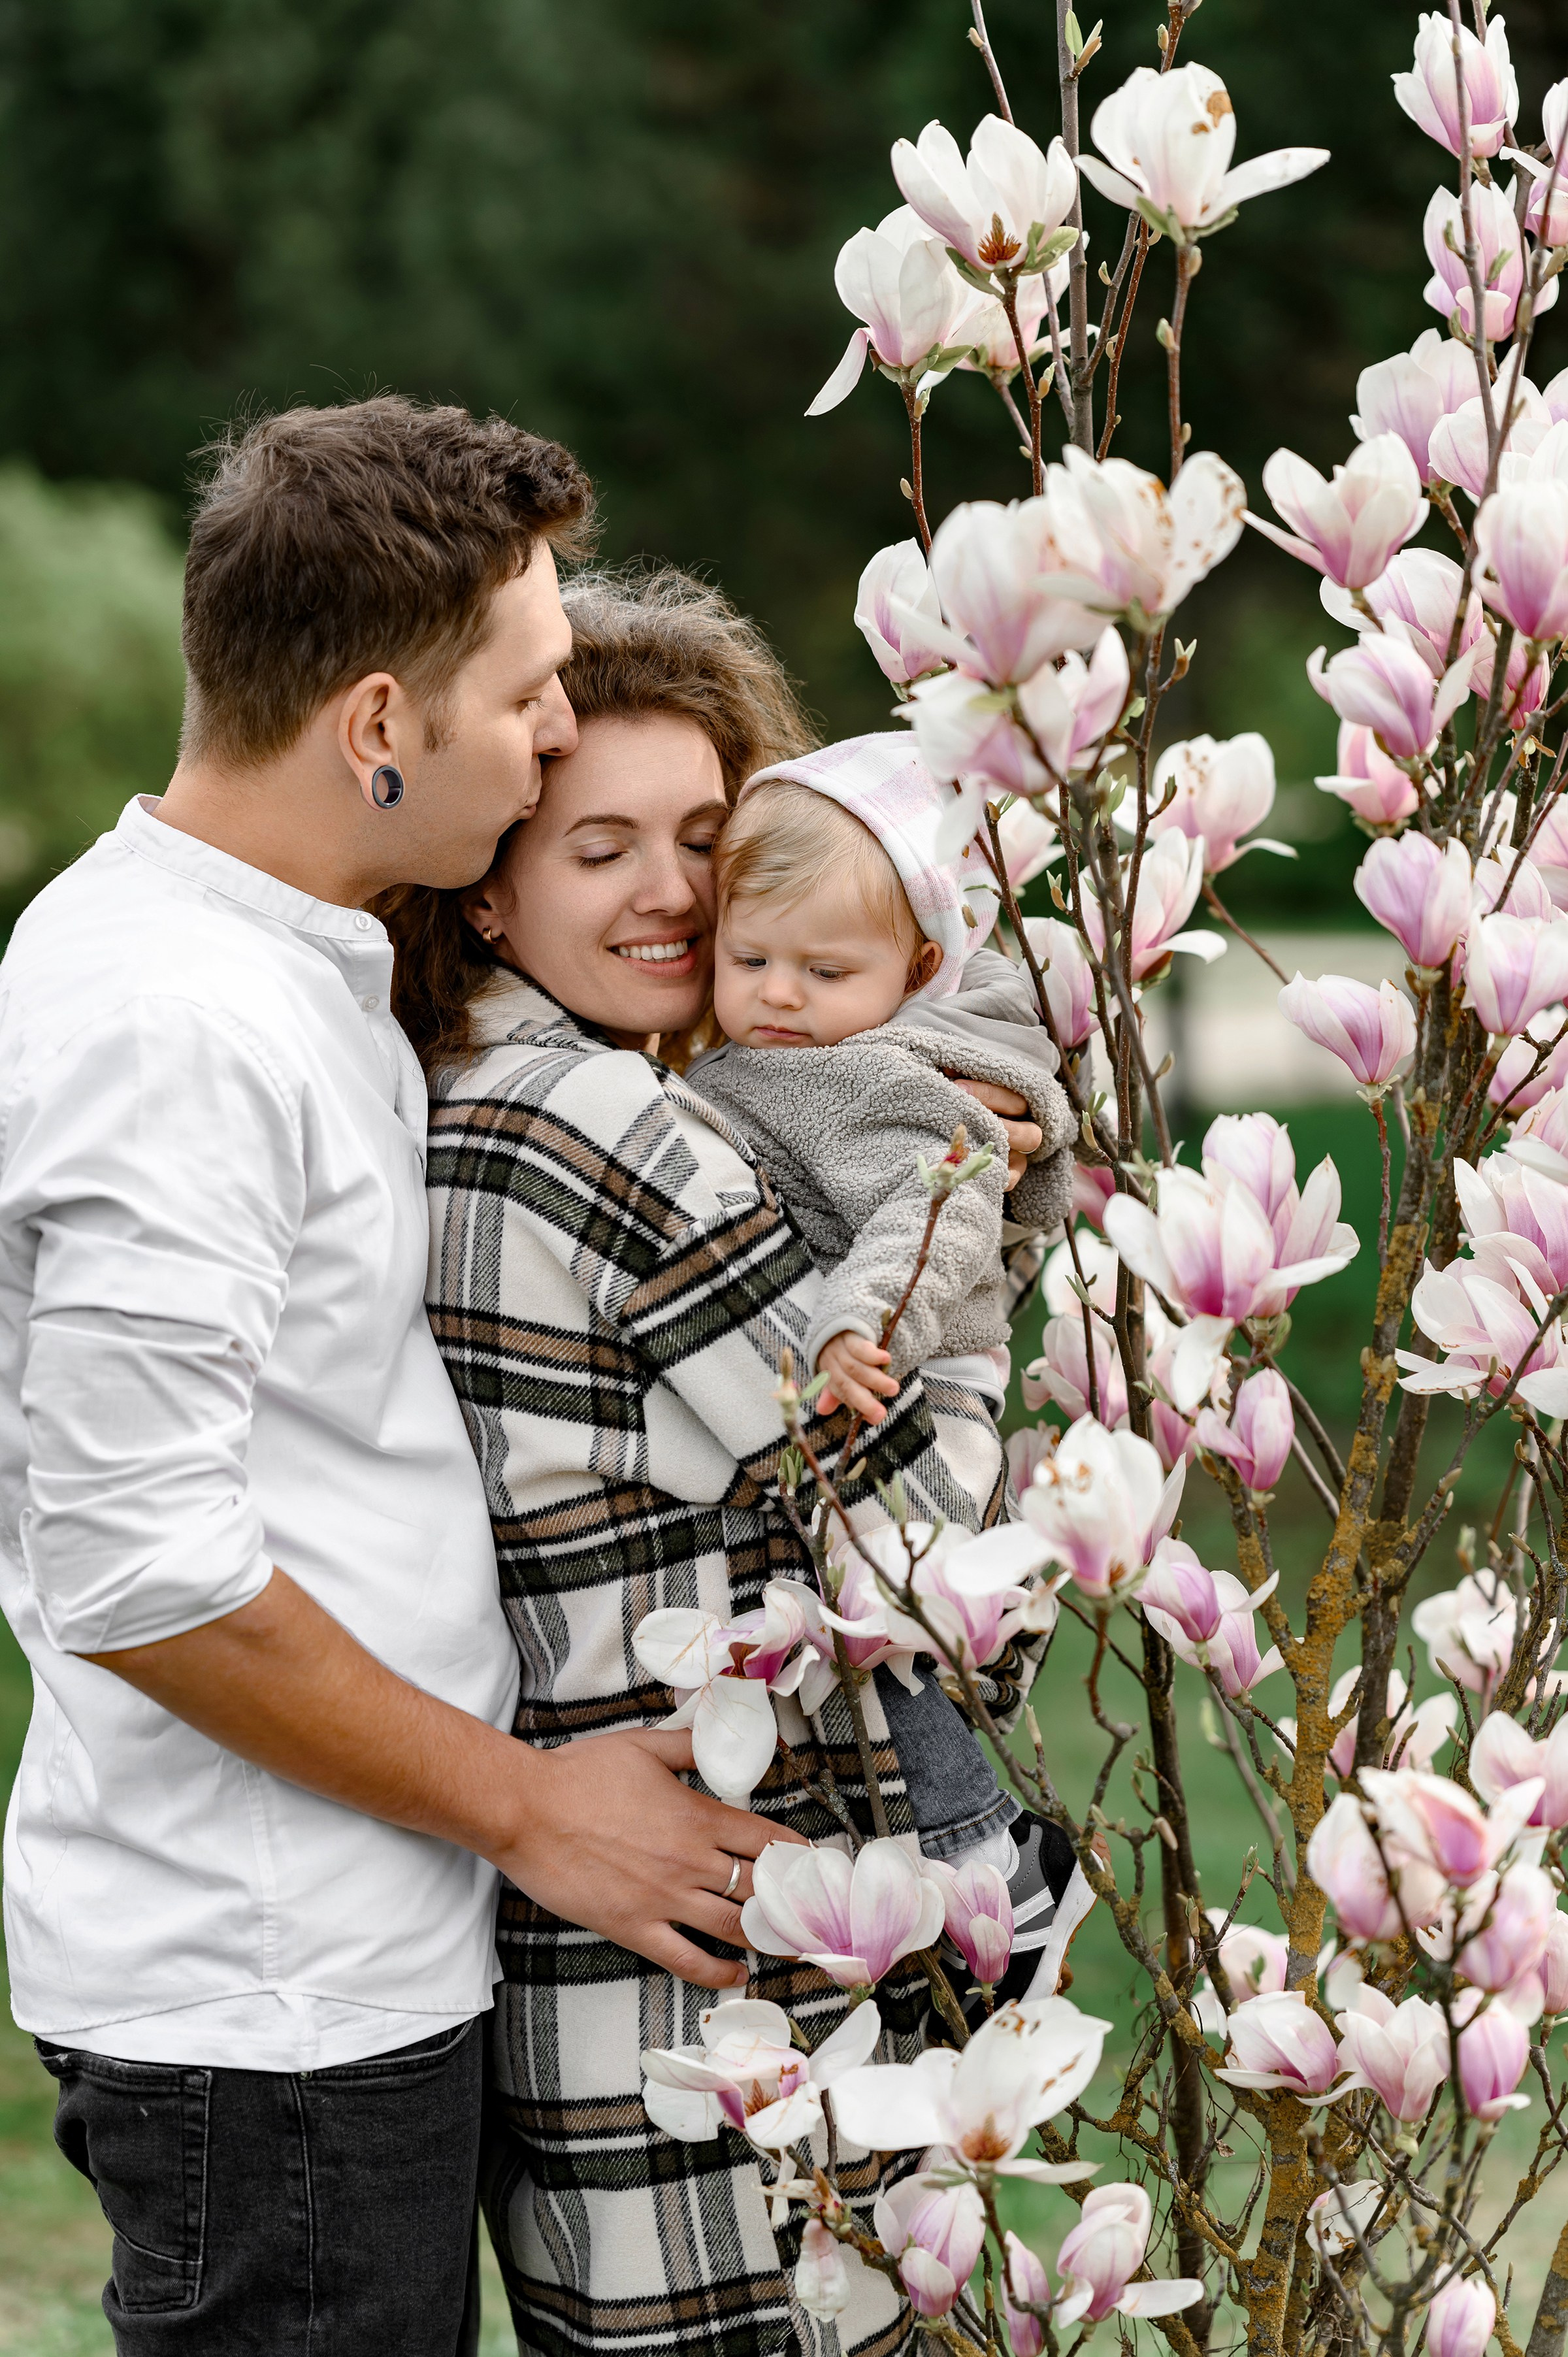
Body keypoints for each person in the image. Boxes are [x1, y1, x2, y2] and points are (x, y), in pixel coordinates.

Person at [0, 403, 791, 2357]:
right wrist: (533, 1811)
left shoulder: (277, 959)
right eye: (526, 696)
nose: (553, 735)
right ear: (377, 722)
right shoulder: (179, 1026)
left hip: (349, 1965)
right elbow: (141, 1569)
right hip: (271, 2004)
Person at [384, 565, 1071, 2357]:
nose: (678, 891)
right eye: (600, 846)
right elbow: (921, 1536)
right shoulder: (613, 1131)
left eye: (705, 837)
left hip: (612, 1945)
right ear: (489, 879)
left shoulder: (469, 1093)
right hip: (717, 1955)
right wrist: (977, 1247)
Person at [689, 738, 1098, 2009]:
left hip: (924, 1380)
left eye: (825, 971)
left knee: (887, 1616)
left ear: (920, 970)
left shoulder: (876, 1077)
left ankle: (986, 1861)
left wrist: (861, 1325)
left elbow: (937, 1209)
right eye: (749, 960)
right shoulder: (800, 1048)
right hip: (877, 1369)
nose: (779, 995)